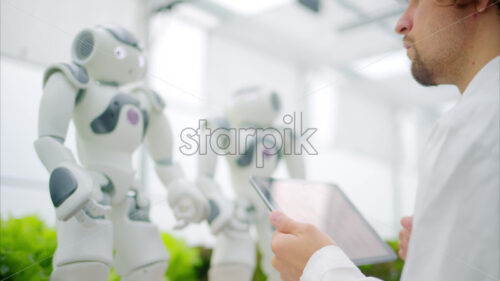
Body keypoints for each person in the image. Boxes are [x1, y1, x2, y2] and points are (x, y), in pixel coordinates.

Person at [269, 0, 500, 280]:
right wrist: (439, 254)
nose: (401, 22)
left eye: (417, 2)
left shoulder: (473, 126)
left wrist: (318, 266)